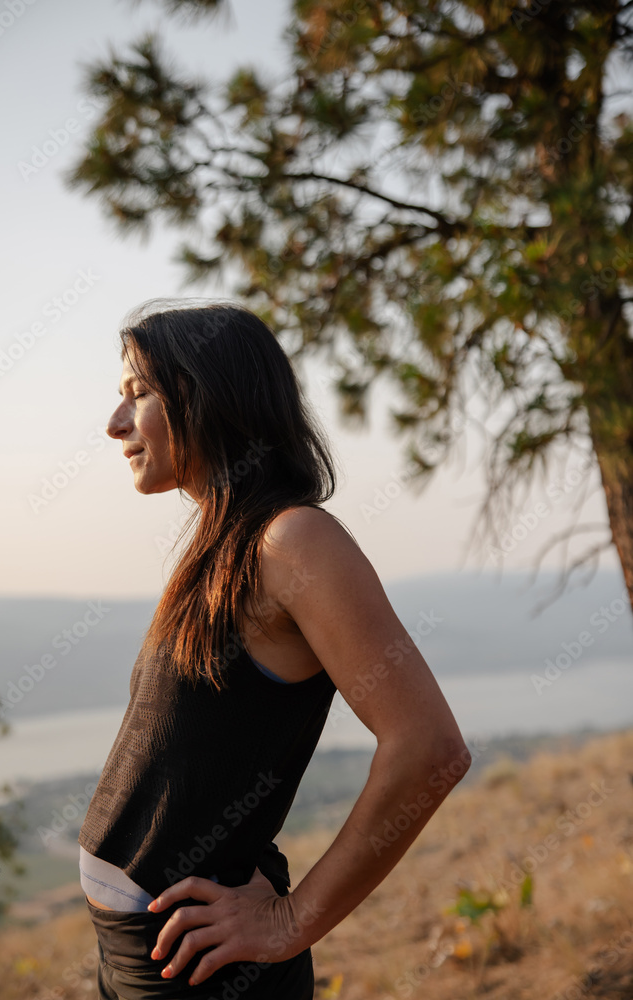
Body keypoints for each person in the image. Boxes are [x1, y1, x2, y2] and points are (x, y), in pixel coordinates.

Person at [78, 299, 472, 999]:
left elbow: (429, 747)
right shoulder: (222, 546)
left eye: (138, 394)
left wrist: (290, 921)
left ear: (205, 396)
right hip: (145, 953)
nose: (114, 424)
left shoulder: (292, 540)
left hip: (197, 967)